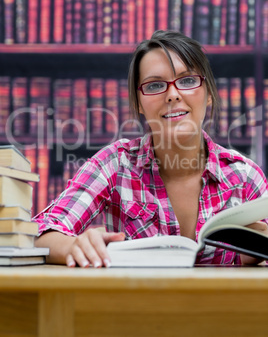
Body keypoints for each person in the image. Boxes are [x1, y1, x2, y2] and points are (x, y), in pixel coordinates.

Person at [34, 30, 268, 267]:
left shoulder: (245, 177)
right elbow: (40, 234)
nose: (173, 95)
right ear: (139, 103)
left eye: (187, 81)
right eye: (155, 85)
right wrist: (75, 246)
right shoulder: (115, 164)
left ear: (208, 94)